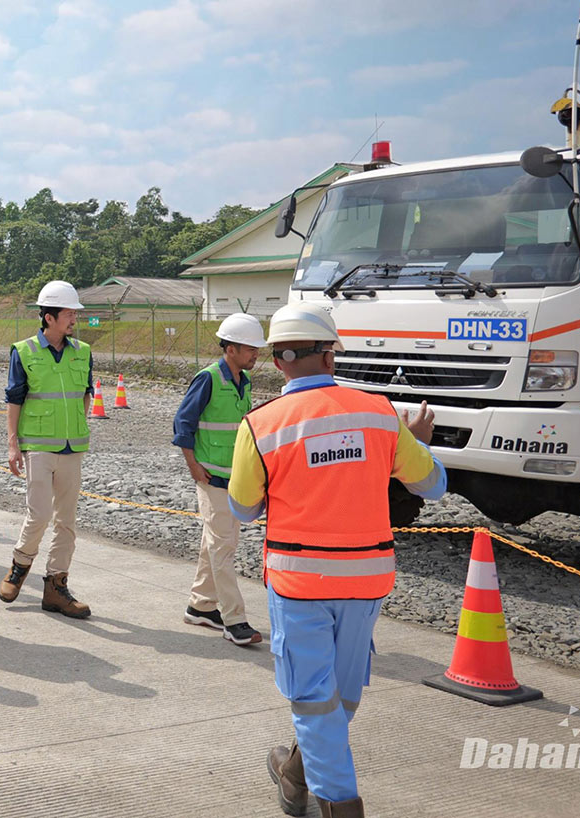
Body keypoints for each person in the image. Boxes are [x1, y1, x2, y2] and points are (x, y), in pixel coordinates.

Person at [232, 303, 445, 818]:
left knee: (313, 699)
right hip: (367, 581)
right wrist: (414, 445)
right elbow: (433, 485)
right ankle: (294, 771)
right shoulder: (380, 413)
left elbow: (243, 508)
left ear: (277, 362)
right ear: (331, 355)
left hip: (299, 583)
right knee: (341, 695)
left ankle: (341, 806)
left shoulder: (261, 424)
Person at [0, 280, 93, 618]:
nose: (74, 319)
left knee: (66, 521)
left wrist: (76, 424)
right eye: (68, 314)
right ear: (48, 317)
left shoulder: (83, 351)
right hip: (37, 446)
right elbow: (14, 399)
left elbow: (86, 393)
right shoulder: (23, 351)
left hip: (72, 447)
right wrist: (13, 444)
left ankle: (57, 586)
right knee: (38, 514)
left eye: (74, 314)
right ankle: (19, 566)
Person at [172, 312, 266, 647]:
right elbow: (182, 424)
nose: (256, 354)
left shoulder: (244, 380)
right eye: (250, 348)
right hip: (211, 478)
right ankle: (234, 619)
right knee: (223, 548)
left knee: (215, 543)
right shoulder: (208, 379)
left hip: (234, 478)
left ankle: (200, 606)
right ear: (231, 349)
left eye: (257, 348)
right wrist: (193, 466)